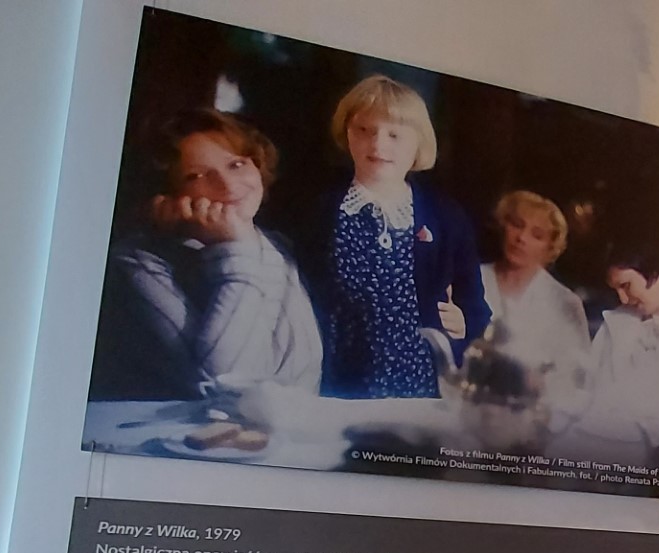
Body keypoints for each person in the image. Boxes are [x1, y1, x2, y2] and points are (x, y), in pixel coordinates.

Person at [88, 108, 322, 416]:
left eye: (236, 164)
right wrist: (234, 248)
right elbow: (225, 386)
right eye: (196, 176)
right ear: (166, 196)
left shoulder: (279, 248)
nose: (227, 185)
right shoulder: (136, 263)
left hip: (289, 437)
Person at [304, 74, 489, 399]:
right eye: (364, 130)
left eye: (394, 135)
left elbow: (475, 307)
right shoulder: (319, 212)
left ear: (419, 143)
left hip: (421, 390)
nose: (378, 144)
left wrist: (464, 324)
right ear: (346, 133)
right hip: (338, 386)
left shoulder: (446, 217)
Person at [550, 252, 659, 465]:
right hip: (592, 440)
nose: (623, 298)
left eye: (626, 285)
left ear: (654, 272)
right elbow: (590, 388)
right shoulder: (617, 322)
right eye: (616, 290)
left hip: (649, 456)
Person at [471, 190, 591, 408]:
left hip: (531, 411)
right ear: (503, 226)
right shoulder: (469, 279)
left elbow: (576, 378)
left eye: (537, 235)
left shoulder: (564, 302)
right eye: (516, 225)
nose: (521, 238)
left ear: (550, 247)